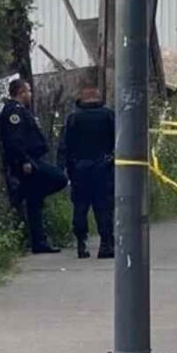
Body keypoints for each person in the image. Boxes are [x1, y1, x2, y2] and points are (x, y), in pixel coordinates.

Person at [0, 79, 68, 254]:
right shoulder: (14, 111)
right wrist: (25, 160)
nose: (30, 94)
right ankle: (21, 194)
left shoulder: (22, 110)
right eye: (28, 91)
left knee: (35, 203)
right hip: (27, 162)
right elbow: (14, 141)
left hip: (33, 159)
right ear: (21, 92)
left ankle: (39, 242)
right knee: (59, 178)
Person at [58, 85, 115, 259]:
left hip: (79, 169)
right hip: (103, 167)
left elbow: (64, 146)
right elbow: (118, 140)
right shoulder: (108, 116)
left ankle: (81, 244)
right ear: (98, 97)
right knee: (103, 206)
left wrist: (64, 169)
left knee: (80, 206)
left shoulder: (74, 118)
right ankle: (106, 244)